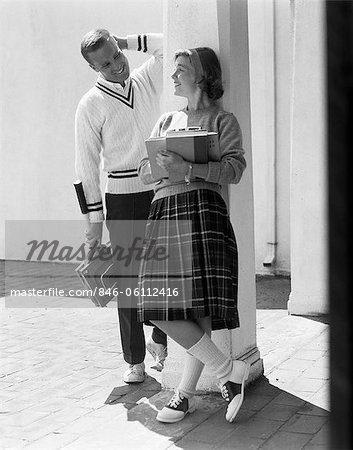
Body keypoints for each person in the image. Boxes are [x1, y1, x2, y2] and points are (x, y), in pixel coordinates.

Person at [137, 47, 249, 423]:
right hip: (163, 210)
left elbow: (234, 170)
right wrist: (158, 169)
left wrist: (188, 169)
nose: (173, 76)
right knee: (156, 303)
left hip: (203, 210)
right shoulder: (166, 120)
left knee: (195, 306)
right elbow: (142, 170)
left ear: (201, 77)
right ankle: (227, 372)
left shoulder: (223, 119)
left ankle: (183, 395)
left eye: (181, 69)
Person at [75, 29, 167, 384]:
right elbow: (85, 168)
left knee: (164, 272)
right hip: (121, 198)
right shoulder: (90, 104)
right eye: (106, 62)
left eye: (117, 54)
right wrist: (93, 229)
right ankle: (135, 360)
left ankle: (161, 336)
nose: (117, 65)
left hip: (159, 189)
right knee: (128, 281)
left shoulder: (143, 78)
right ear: (92, 67)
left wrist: (126, 41)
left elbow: (165, 43)